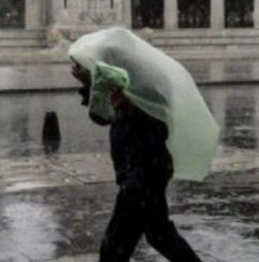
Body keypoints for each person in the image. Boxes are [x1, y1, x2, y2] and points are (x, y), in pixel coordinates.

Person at [68, 27, 218, 262]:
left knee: (114, 249)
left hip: (141, 176)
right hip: (144, 173)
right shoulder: (126, 85)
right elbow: (101, 115)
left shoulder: (145, 90)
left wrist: (124, 102)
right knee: (159, 235)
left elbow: (150, 124)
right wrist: (91, 82)